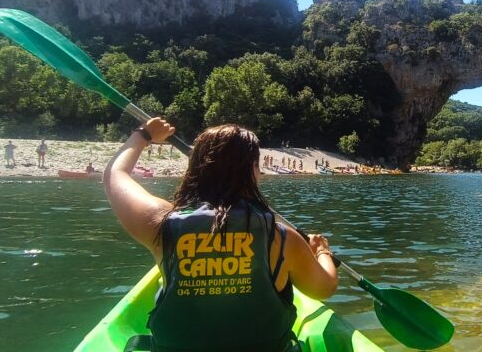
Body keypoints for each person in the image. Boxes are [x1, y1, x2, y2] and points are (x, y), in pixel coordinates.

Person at [103, 118, 337, 351]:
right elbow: (324, 288)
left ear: (194, 168)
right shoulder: (280, 237)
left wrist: (143, 134)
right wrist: (321, 250)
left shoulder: (161, 224)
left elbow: (115, 176)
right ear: (253, 171)